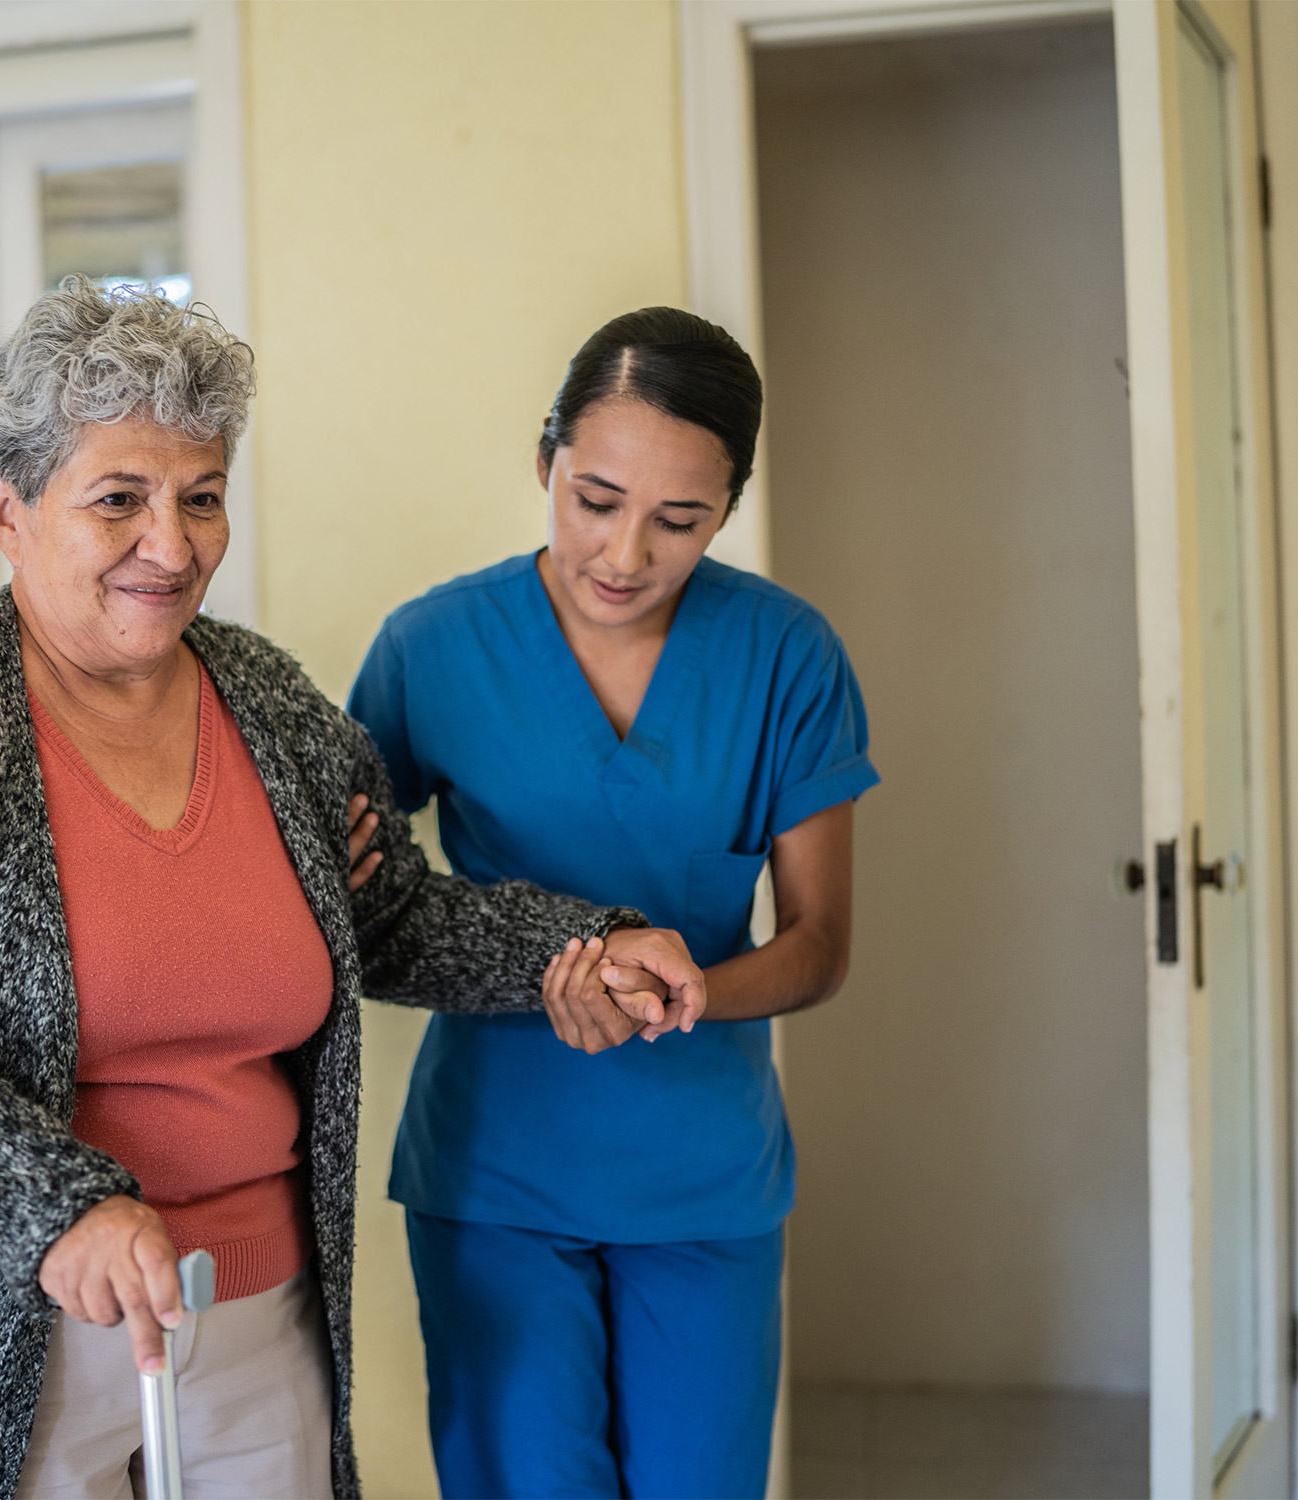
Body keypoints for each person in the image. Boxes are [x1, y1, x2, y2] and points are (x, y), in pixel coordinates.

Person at [0, 279, 706, 1500]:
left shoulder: (271, 704)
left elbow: (388, 919)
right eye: (118, 501)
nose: (172, 544)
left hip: (259, 1313)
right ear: (7, 508)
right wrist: (58, 1210)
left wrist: (583, 941)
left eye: (200, 498)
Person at [347, 306, 879, 1500]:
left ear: (726, 510)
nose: (624, 554)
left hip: (702, 1182)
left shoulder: (788, 658)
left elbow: (819, 944)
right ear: (545, 463)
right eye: (594, 499)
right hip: (492, 1175)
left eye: (677, 520)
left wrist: (689, 988)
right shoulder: (429, 649)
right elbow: (356, 912)